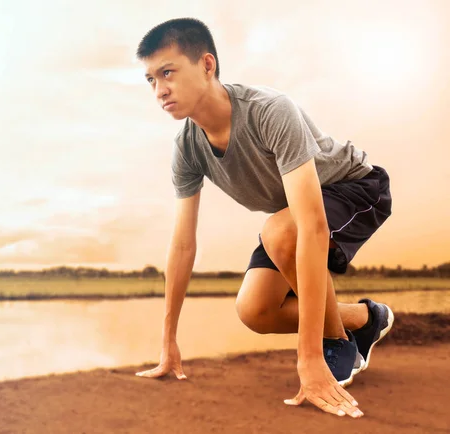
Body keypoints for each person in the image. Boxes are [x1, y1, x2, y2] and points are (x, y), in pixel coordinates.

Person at [133, 18, 394, 419]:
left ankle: (337, 344)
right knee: (254, 310)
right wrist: (168, 340)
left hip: (356, 187)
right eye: (150, 79)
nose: (159, 89)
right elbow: (183, 244)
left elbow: (312, 226)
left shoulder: (269, 111)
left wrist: (308, 358)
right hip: (291, 219)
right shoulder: (187, 148)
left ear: (206, 65)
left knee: (281, 231)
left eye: (168, 72)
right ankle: (366, 317)